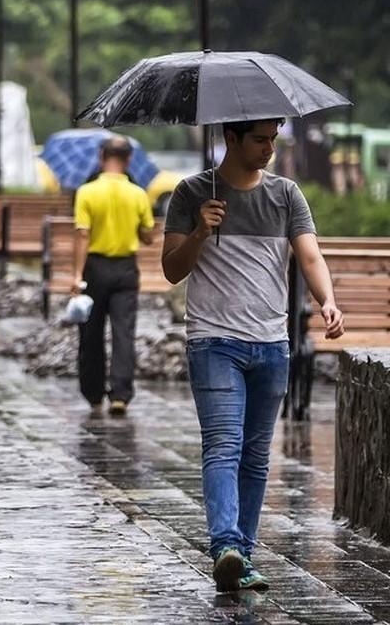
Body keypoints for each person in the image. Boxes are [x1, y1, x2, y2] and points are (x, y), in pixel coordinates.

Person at [162, 118, 344, 592]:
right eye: (260, 139)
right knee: (223, 445)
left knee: (256, 456)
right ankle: (224, 544)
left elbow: (309, 256)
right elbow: (172, 270)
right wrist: (200, 231)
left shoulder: (286, 195)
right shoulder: (191, 193)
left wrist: (326, 299)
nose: (269, 148)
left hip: (271, 345)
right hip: (213, 342)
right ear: (231, 138)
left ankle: (241, 556)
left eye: (272, 139)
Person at [72, 136, 155, 415]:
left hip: (95, 268)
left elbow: (82, 235)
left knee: (91, 332)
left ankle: (93, 393)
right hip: (126, 269)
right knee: (123, 332)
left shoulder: (86, 192)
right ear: (128, 160)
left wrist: (77, 275)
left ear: (101, 157)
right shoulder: (138, 194)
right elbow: (147, 236)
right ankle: (120, 394)